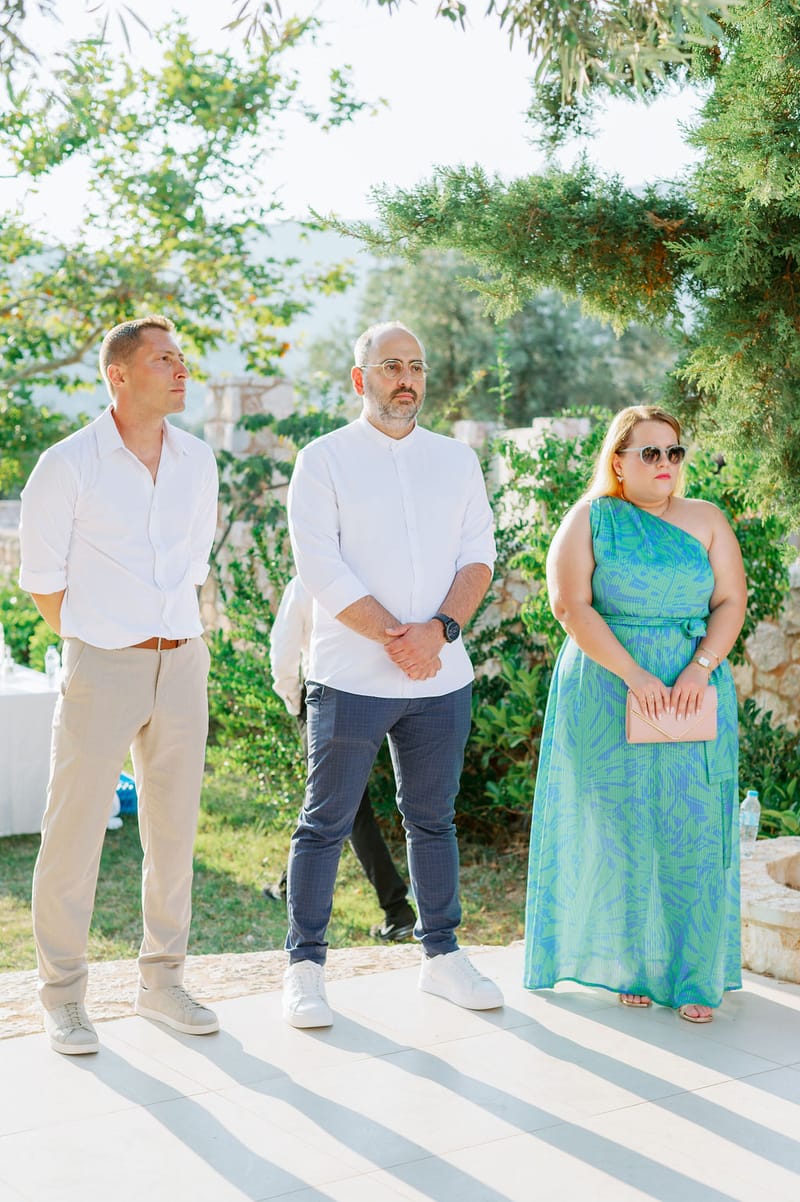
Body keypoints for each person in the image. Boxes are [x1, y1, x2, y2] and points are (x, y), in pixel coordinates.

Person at [282, 320, 504, 1027]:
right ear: (360, 379)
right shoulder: (323, 460)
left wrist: (437, 634)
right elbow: (320, 565)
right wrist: (395, 636)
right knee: (324, 822)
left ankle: (441, 956)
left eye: (415, 366)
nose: (405, 379)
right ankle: (305, 969)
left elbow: (479, 555)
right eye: (389, 366)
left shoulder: (456, 462)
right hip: (349, 675)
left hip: (441, 679)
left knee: (431, 820)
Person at [18, 315, 220, 1055]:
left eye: (182, 358)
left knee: (174, 832)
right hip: (102, 661)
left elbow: (192, 566)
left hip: (183, 660)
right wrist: (98, 638)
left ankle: (161, 983)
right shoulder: (69, 463)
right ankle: (63, 997)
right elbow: (43, 583)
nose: (180, 370)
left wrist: (173, 644)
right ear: (119, 374)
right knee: (73, 833)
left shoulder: (200, 461)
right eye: (164, 358)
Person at [524, 405, 747, 1023]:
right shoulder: (589, 518)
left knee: (694, 827)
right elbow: (570, 605)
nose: (666, 465)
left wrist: (698, 669)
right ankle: (631, 967)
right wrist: (637, 674)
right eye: (651, 452)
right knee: (619, 828)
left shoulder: (706, 519)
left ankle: (695, 977)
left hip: (692, 693)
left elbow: (731, 598)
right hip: (607, 688)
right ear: (617, 461)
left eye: (674, 452)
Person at [268, 574, 417, 941]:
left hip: (328, 698)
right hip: (385, 694)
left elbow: (283, 652)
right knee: (323, 797)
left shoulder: (306, 583)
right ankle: (289, 884)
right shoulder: (377, 578)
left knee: (348, 808)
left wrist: (293, 700)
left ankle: (397, 909)